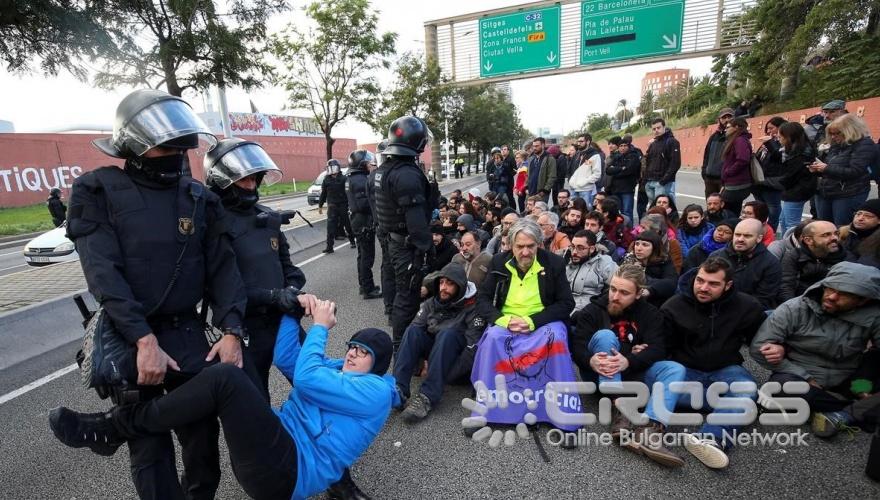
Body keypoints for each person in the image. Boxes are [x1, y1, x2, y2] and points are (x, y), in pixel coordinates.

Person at [66, 89, 247, 500]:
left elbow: (223, 269)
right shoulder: (98, 190)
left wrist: (233, 330)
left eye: (183, 143)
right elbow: (103, 273)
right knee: (150, 452)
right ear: (134, 144)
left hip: (187, 332)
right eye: (167, 144)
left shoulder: (199, 197)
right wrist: (142, 339)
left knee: (202, 441)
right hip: (132, 335)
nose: (179, 151)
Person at [50, 300, 400, 500]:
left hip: (287, 472)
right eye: (353, 345)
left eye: (364, 352)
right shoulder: (338, 369)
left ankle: (114, 426)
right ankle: (130, 422)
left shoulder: (376, 392)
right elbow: (286, 356)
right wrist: (294, 310)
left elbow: (306, 377)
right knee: (223, 365)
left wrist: (321, 326)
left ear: (378, 364)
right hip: (273, 449)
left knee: (226, 379)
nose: (353, 353)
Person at [204, 138, 317, 399]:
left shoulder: (267, 218)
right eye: (244, 180)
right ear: (222, 181)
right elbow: (220, 287)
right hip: (244, 328)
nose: (251, 185)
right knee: (255, 408)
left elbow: (291, 270)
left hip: (283, 319)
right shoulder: (212, 225)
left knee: (314, 386)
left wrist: (289, 291)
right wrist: (272, 296)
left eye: (255, 178)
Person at [570, 264, 685, 467]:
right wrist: (590, 359)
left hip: (632, 372)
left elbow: (658, 348)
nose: (615, 296)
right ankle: (620, 407)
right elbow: (577, 345)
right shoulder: (593, 310)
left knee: (675, 369)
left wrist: (629, 360)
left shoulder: (651, 314)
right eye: (613, 289)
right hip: (599, 375)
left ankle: (650, 430)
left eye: (624, 292)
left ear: (639, 293)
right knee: (605, 336)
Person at [470, 218, 579, 433]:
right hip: (507, 321)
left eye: (531, 246)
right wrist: (503, 320)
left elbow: (567, 303)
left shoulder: (554, 264)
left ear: (540, 244)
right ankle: (487, 409)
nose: (526, 252)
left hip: (542, 321)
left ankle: (564, 417)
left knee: (556, 338)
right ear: (511, 245)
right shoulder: (499, 262)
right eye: (520, 246)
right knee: (492, 339)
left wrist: (532, 322)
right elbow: (482, 299)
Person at [751, 262, 880, 438]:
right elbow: (758, 347)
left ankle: (845, 413)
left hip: (853, 379)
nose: (832, 297)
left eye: (844, 294)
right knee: (777, 389)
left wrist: (865, 381)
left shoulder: (874, 315)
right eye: (830, 288)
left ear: (863, 300)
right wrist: (807, 377)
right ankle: (857, 410)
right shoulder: (795, 307)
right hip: (801, 373)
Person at [662, 257, 768, 469]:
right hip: (685, 371)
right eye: (700, 280)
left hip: (725, 369)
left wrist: (774, 345)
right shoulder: (673, 306)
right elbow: (662, 347)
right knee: (655, 386)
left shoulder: (747, 306)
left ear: (728, 285)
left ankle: (710, 438)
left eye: (713, 284)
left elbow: (761, 338)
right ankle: (732, 407)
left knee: (745, 389)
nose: (703, 287)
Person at [373, 116, 435, 352]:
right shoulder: (407, 174)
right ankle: (402, 351)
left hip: (393, 240)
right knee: (407, 299)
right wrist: (425, 248)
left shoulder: (385, 169)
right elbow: (416, 221)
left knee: (403, 296)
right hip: (406, 246)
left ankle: (406, 346)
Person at [394, 263, 480, 423]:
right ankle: (399, 389)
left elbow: (473, 349)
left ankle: (427, 397)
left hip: (458, 366)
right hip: (436, 357)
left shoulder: (474, 307)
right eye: (441, 283)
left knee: (448, 334)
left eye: (449, 283)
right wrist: (420, 366)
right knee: (413, 331)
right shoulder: (431, 303)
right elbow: (414, 332)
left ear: (460, 286)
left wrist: (446, 375)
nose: (443, 288)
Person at [810, 114, 878, 226]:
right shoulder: (837, 145)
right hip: (826, 191)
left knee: (842, 229)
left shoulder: (864, 145)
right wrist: (817, 169)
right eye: (831, 134)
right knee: (825, 227)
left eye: (837, 133)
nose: (833, 137)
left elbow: (855, 171)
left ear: (850, 130)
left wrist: (826, 168)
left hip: (848, 193)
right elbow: (831, 167)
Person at [709, 218, 782, 310]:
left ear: (759, 238)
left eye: (747, 236)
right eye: (737, 234)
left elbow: (764, 300)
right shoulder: (716, 256)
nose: (740, 239)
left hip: (746, 314)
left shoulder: (771, 264)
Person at [779, 220, 849, 302]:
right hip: (797, 304)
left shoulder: (847, 259)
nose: (834, 238)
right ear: (808, 240)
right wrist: (793, 310)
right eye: (826, 235)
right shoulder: (794, 256)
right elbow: (785, 286)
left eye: (836, 233)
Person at [346, 149, 382, 299]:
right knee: (367, 257)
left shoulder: (351, 178)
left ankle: (364, 285)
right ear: (360, 164)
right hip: (364, 221)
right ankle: (368, 289)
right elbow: (363, 204)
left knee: (362, 255)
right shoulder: (361, 180)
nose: (370, 164)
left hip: (356, 220)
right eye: (367, 162)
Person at [368, 139, 396, 322]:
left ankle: (389, 306)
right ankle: (395, 310)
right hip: (394, 230)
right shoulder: (393, 175)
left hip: (380, 227)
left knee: (387, 266)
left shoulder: (371, 176)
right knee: (396, 269)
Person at [777, 122, 818, 234]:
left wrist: (778, 182)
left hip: (797, 192)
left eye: (780, 136)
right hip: (792, 191)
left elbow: (790, 175)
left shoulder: (801, 154)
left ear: (789, 137)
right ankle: (786, 244)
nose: (778, 139)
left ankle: (793, 247)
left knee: (791, 224)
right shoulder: (792, 151)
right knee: (783, 220)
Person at [565, 230, 618, 314]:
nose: (574, 252)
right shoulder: (565, 259)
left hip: (588, 311)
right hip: (563, 306)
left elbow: (618, 286)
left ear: (592, 249)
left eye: (580, 248)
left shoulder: (604, 263)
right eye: (572, 247)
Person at [624, 230, 677, 308]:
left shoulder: (664, 262)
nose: (639, 248)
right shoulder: (628, 260)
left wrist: (650, 290)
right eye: (637, 244)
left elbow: (671, 283)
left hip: (655, 304)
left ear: (654, 248)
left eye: (645, 245)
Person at [752, 117, 787, 232]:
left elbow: (779, 156)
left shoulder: (784, 142)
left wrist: (769, 142)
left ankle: (771, 232)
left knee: (773, 210)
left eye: (771, 128)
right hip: (759, 181)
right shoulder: (767, 144)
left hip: (772, 182)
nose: (768, 131)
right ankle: (759, 231)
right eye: (767, 128)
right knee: (759, 210)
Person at [318, 159, 355, 253]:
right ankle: (329, 247)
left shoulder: (344, 178)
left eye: (333, 167)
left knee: (347, 224)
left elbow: (348, 193)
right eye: (329, 168)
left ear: (337, 168)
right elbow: (323, 194)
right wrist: (320, 205)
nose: (331, 170)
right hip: (332, 206)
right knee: (330, 227)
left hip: (343, 205)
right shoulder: (326, 179)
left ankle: (352, 241)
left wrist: (351, 205)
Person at [720, 117, 753, 216]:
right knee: (732, 210)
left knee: (728, 211)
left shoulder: (740, 140)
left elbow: (742, 160)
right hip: (733, 183)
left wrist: (728, 172)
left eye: (729, 127)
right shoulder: (737, 139)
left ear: (737, 127)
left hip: (736, 184)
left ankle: (731, 229)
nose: (726, 129)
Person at [644, 118, 681, 205]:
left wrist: (663, 181)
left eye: (658, 128)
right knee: (653, 209)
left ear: (664, 127)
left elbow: (675, 164)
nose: (656, 130)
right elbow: (648, 162)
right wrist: (645, 180)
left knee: (664, 209)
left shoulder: (672, 142)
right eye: (654, 129)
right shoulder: (653, 144)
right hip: (650, 181)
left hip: (662, 183)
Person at [701, 108, 734, 197]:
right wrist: (704, 171)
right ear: (719, 120)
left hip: (725, 180)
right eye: (724, 117)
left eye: (729, 117)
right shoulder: (713, 137)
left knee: (725, 206)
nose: (727, 119)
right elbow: (706, 155)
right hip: (710, 179)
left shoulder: (735, 136)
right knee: (711, 207)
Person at [605, 138, 640, 221]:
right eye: (621, 146)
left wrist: (616, 170)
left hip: (627, 189)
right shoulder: (616, 157)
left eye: (625, 146)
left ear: (628, 146)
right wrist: (621, 168)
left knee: (627, 212)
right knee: (616, 213)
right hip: (615, 189)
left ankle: (629, 231)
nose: (623, 148)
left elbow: (629, 170)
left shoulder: (633, 156)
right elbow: (608, 170)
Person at [569, 133, 602, 204]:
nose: (579, 143)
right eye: (578, 141)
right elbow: (572, 170)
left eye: (581, 141)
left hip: (586, 190)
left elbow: (597, 174)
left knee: (586, 212)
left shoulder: (595, 155)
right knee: (573, 210)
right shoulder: (577, 154)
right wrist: (571, 182)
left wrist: (584, 182)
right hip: (574, 188)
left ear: (588, 142)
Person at [526, 137, 557, 203]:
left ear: (543, 145)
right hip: (530, 192)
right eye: (533, 146)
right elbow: (527, 175)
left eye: (537, 146)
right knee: (528, 212)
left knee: (540, 212)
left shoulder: (550, 159)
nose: (534, 148)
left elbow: (552, 177)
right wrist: (526, 187)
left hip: (541, 194)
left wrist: (545, 190)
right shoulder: (531, 159)